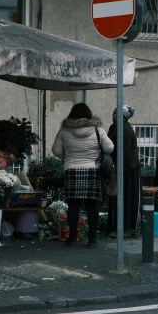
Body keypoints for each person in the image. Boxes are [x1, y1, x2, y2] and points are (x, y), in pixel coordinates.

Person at [52, 102, 114, 248]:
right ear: (89, 114)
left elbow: (56, 150)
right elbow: (110, 148)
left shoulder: (64, 130)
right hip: (93, 170)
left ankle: (72, 238)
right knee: (93, 206)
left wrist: (69, 158)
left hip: (71, 170)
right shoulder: (97, 129)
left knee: (73, 205)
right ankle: (92, 240)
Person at [106, 105, 141, 238]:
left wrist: (116, 169)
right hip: (121, 168)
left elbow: (123, 154)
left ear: (124, 117)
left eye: (117, 114)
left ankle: (126, 229)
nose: (113, 116)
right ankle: (115, 226)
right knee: (117, 197)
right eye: (113, 113)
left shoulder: (125, 130)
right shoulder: (114, 128)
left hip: (129, 169)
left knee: (127, 198)